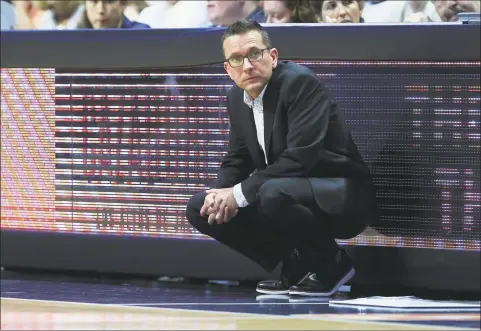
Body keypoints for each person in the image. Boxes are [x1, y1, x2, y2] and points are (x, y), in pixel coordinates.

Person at [185, 20, 378, 296]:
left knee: (272, 192)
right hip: (284, 190)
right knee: (199, 207)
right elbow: (237, 159)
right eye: (237, 59)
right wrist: (218, 193)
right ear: (228, 69)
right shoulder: (236, 97)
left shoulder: (300, 83)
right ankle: (297, 261)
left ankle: (331, 263)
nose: (248, 66)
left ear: (272, 56)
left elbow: (300, 159)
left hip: (340, 193)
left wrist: (237, 194)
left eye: (255, 54)